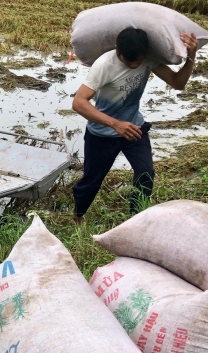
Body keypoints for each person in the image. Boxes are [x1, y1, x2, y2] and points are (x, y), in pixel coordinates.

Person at [72, 27, 198, 222]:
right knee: (91, 182)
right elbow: (79, 102)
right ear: (117, 51)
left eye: (138, 61)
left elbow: (178, 83)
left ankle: (135, 219)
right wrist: (115, 124)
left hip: (134, 128)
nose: (134, 65)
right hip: (102, 134)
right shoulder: (104, 65)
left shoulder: (147, 58)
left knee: (145, 174)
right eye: (128, 61)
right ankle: (78, 217)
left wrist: (191, 56)